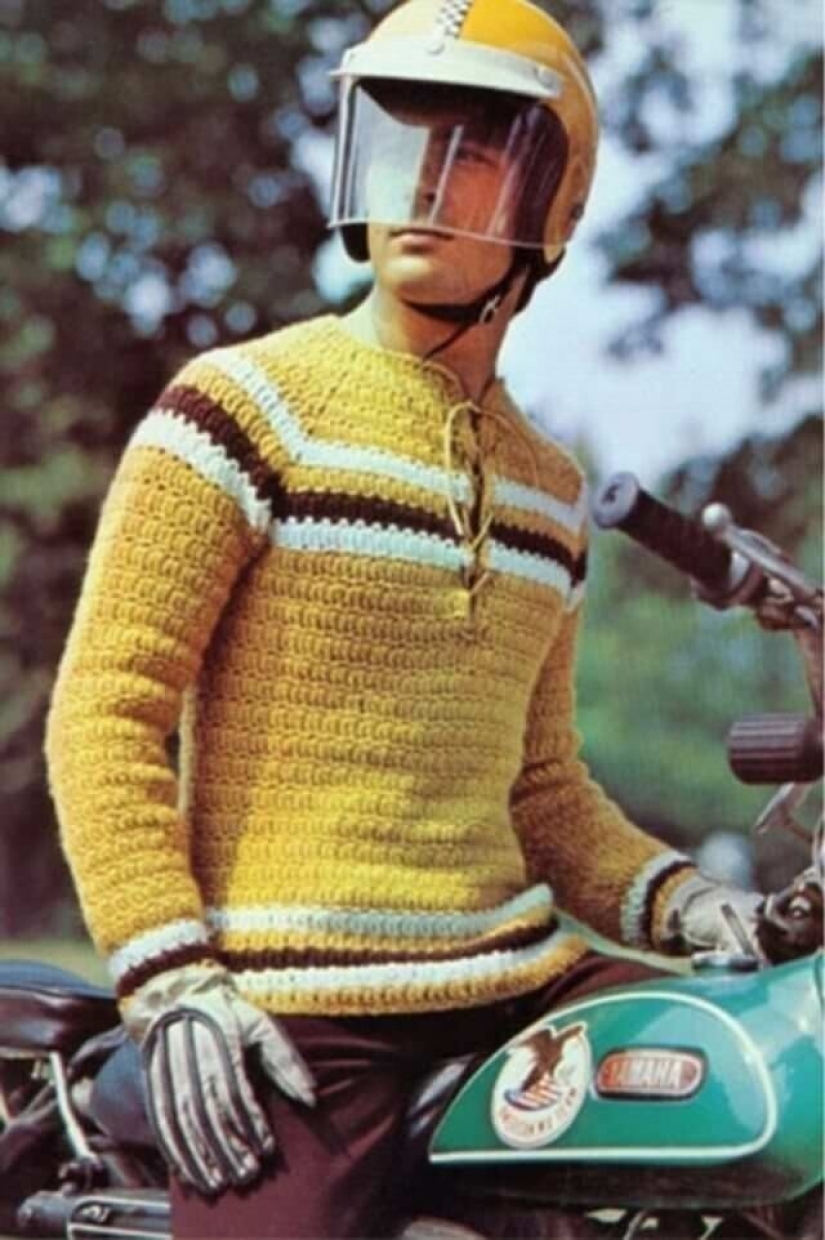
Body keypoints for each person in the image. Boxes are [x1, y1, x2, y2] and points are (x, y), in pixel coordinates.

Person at [44, 0, 765, 1236]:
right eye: (398, 141)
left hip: (517, 977)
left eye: (473, 152)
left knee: (754, 1095)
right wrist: (170, 973)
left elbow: (542, 787)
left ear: (552, 209)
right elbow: (105, 711)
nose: (422, 184)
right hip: (299, 1004)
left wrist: (690, 901)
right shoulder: (240, 409)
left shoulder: (552, 490)